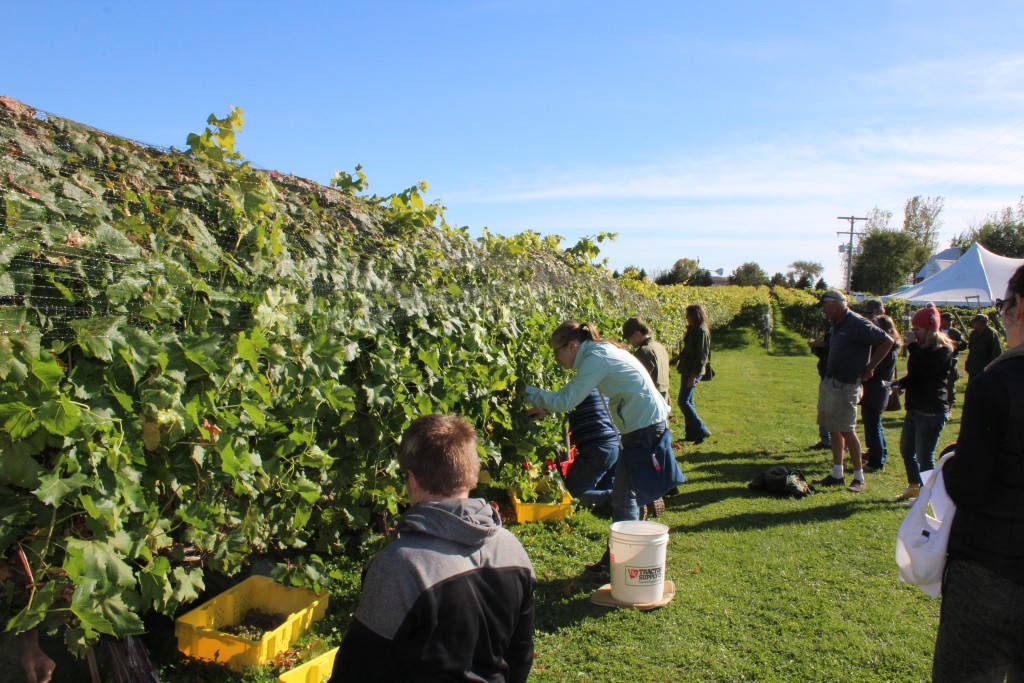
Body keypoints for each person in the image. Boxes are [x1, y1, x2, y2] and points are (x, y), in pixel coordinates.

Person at [329, 414, 535, 683]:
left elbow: (358, 670)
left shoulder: (402, 566)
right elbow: (520, 658)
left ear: (412, 480)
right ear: (471, 474)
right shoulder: (512, 550)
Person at [524, 321, 685, 575]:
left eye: (557, 352)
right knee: (624, 498)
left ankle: (616, 565)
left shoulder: (595, 357)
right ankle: (615, 562)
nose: (556, 359)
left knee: (623, 499)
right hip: (641, 424)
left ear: (572, 345)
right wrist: (548, 406)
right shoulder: (600, 352)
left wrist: (526, 392)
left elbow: (567, 400)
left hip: (642, 427)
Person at [932, 265, 1024, 681]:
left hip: (993, 569)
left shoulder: (998, 383)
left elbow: (969, 487)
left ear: (1018, 308)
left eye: (1003, 303)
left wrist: (955, 459)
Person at [813, 290, 894, 493]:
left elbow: (887, 341)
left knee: (847, 429)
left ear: (834, 305)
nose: (823, 311)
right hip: (831, 382)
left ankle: (859, 477)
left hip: (847, 385)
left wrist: (870, 367)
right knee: (834, 427)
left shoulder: (858, 323)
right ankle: (837, 473)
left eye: (824, 307)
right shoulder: (837, 324)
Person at [889, 306, 955, 501]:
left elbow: (927, 370)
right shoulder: (921, 349)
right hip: (915, 408)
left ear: (930, 329)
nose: (913, 333)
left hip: (932, 410)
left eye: (917, 329)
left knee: (924, 456)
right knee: (906, 450)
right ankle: (915, 486)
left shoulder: (943, 350)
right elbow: (916, 374)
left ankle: (929, 496)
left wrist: (912, 347)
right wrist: (900, 383)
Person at [562, 388, 619, 513]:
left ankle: (624, 501)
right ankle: (635, 501)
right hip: (616, 443)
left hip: (597, 447)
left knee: (573, 494)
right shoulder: (597, 385)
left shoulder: (571, 389)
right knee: (603, 487)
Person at [862, 315, 901, 472]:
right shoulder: (892, 347)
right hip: (879, 389)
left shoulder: (884, 349)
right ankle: (879, 454)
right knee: (875, 424)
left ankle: (876, 461)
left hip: (875, 390)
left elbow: (873, 369)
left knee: (873, 425)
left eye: (875, 325)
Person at [670, 304, 712, 445]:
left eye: (687, 315)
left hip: (693, 371)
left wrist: (694, 376)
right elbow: (689, 349)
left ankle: (702, 430)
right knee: (689, 401)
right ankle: (692, 434)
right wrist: (678, 357)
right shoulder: (694, 330)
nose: (686, 318)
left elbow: (702, 356)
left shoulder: (701, 332)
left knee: (683, 401)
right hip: (687, 368)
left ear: (694, 315)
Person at [623, 316, 672, 404]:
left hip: (651, 401)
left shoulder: (644, 352)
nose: (628, 342)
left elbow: (639, 382)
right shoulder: (660, 347)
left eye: (628, 338)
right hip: (664, 399)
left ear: (637, 334)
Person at [807, 326, 833, 450]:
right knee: (822, 409)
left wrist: (823, 345)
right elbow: (825, 355)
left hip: (835, 377)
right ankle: (825, 440)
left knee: (832, 410)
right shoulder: (831, 329)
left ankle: (835, 442)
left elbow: (839, 350)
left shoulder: (846, 329)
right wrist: (816, 347)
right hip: (825, 375)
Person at [964, 312, 1002, 383]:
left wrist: (992, 367)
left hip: (984, 368)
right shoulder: (974, 333)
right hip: (973, 367)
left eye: (975, 322)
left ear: (982, 323)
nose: (973, 324)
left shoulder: (991, 333)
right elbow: (971, 349)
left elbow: (997, 352)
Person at [940, 311, 967, 410]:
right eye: (947, 321)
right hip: (937, 361)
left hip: (951, 361)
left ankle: (949, 407)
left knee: (950, 384)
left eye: (951, 321)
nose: (950, 322)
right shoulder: (935, 331)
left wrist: (956, 343)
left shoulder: (955, 332)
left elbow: (963, 344)